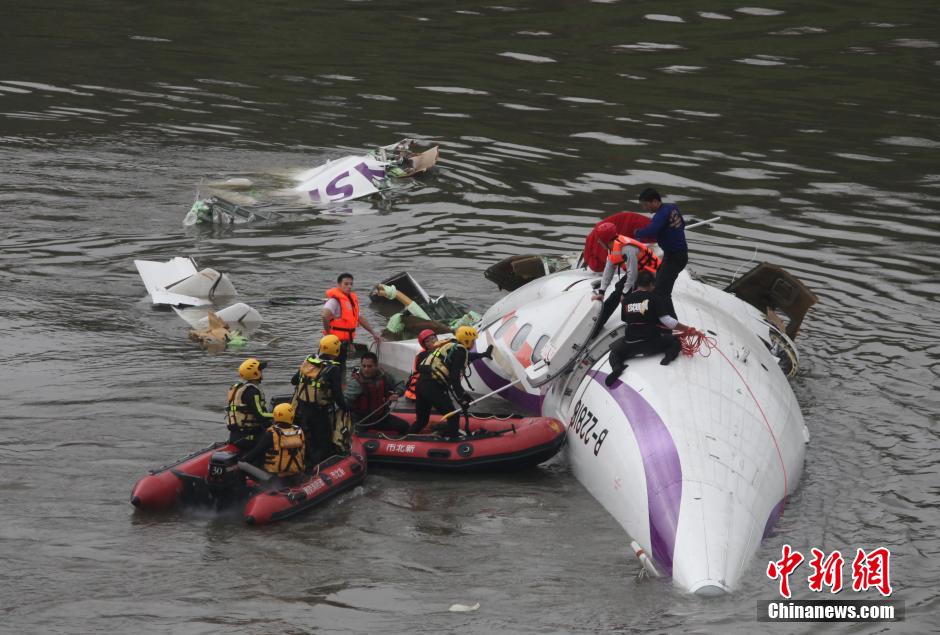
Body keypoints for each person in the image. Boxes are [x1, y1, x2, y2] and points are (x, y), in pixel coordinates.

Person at [605, 271, 694, 387]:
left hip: (631, 344)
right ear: (651, 284)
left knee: (614, 353)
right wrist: (687, 329)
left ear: (637, 284)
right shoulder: (655, 298)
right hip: (651, 343)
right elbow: (668, 321)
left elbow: (626, 320)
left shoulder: (626, 300)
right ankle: (669, 356)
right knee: (675, 341)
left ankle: (617, 367)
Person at [590, 221, 662, 337]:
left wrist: (625, 292)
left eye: (599, 239)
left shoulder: (627, 249)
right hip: (639, 271)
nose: (598, 242)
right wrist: (602, 292)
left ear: (605, 240)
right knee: (618, 292)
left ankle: (633, 327)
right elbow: (609, 269)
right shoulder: (612, 246)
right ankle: (596, 327)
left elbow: (632, 274)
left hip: (653, 274)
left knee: (624, 295)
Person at [291, 335, 350, 465]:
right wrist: (347, 408)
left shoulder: (309, 360)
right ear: (337, 350)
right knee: (323, 443)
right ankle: (316, 470)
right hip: (318, 412)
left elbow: (294, 381)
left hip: (301, 409)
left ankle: (302, 462)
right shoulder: (333, 369)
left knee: (307, 439)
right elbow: (338, 396)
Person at [410, 326, 479, 438]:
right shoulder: (460, 351)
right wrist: (461, 397)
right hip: (432, 388)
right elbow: (454, 378)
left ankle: (406, 438)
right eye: (473, 341)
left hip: (421, 385)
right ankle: (451, 443)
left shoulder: (450, 346)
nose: (474, 343)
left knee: (422, 421)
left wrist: (462, 395)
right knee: (453, 417)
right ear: (466, 340)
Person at [634, 188, 688, 318]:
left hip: (675, 257)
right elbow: (683, 224)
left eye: (646, 205)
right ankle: (663, 318)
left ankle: (671, 323)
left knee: (662, 291)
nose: (645, 208)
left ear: (655, 201)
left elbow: (652, 229)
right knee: (658, 283)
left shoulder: (661, 214)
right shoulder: (672, 207)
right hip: (676, 254)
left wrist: (637, 233)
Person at [322, 273, 382, 371]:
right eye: (346, 284)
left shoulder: (351, 300)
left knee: (341, 367)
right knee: (331, 369)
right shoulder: (334, 301)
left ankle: (341, 383)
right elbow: (324, 316)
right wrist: (329, 336)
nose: (349, 286)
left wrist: (373, 333)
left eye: (351, 284)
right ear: (339, 284)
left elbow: (359, 318)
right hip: (333, 343)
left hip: (345, 342)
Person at [345, 351, 409, 436]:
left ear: (376, 366)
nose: (366, 369)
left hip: (381, 417)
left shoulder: (383, 375)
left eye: (369, 366)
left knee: (405, 426)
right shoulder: (356, 382)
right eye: (364, 366)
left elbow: (400, 384)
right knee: (355, 439)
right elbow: (345, 401)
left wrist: (397, 393)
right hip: (361, 421)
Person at [242, 403, 306, 480]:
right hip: (296, 473)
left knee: (244, 463)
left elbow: (256, 452)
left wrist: (242, 460)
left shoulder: (272, 433)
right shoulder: (299, 431)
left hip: (275, 476)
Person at [226, 358, 274, 451]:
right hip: (247, 437)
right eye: (260, 370)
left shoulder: (240, 388)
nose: (262, 372)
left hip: (236, 435)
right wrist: (277, 414)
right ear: (256, 373)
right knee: (276, 440)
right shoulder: (252, 392)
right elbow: (260, 415)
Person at [403, 329, 441, 402]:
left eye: (433, 338)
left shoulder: (438, 350)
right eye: (427, 341)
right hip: (419, 389)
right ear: (424, 345)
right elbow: (424, 370)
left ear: (437, 338)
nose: (432, 341)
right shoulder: (422, 355)